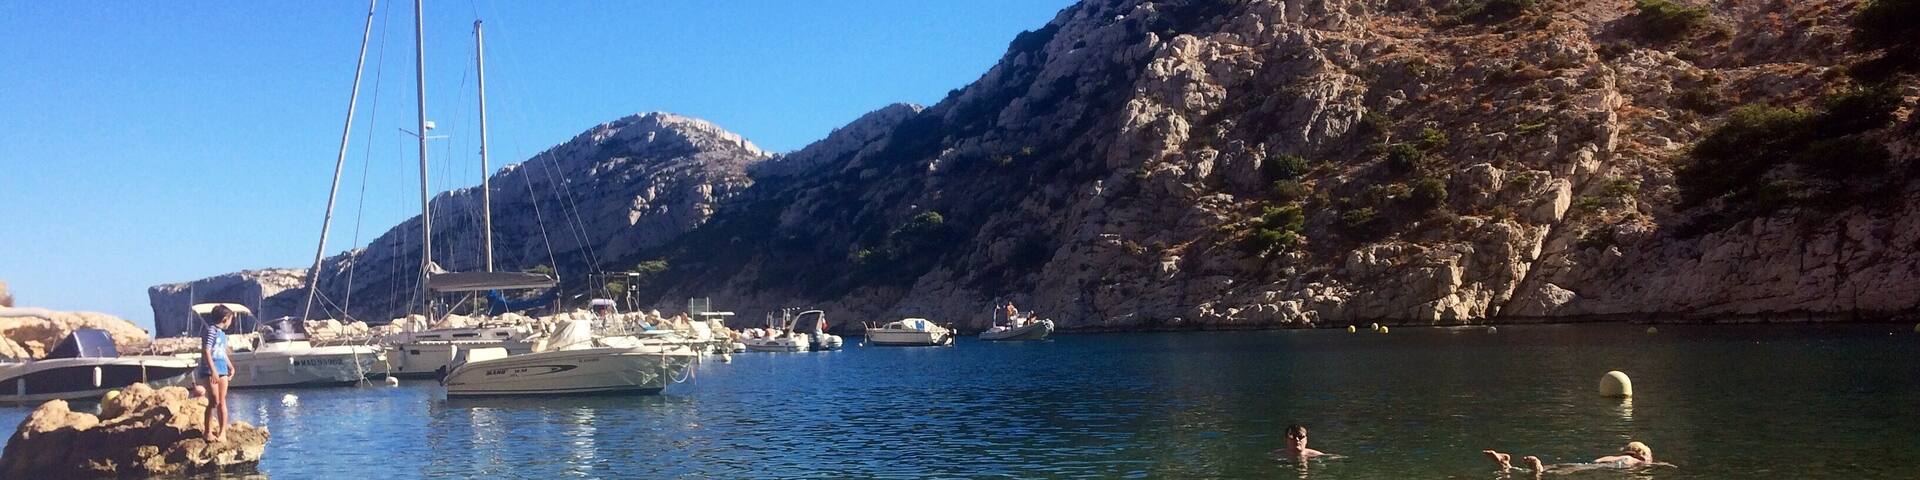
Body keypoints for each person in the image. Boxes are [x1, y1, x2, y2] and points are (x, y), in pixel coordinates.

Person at [1484, 441, 1666, 477]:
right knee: (1569, 471)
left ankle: (1506, 465)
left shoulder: (1621, 455)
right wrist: (1670, 465)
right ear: (1641, 454)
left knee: (1556, 467)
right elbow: (1661, 465)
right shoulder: (1638, 461)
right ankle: (1537, 470)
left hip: (1594, 463)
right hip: (1610, 467)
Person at [200, 305, 236, 442]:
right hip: (210, 370)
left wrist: (231, 366)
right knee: (213, 401)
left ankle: (222, 433)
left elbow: (221, 352)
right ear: (225, 319)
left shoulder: (223, 334)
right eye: (231, 319)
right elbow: (206, 351)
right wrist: (213, 370)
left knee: (222, 402)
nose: (231, 322)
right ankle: (207, 431)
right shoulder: (211, 331)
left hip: (222, 369)